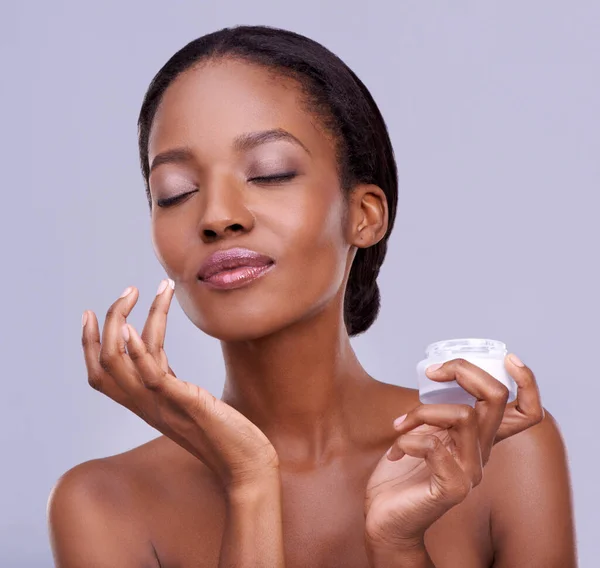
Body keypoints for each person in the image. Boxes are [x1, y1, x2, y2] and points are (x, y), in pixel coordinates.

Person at [47, 25, 576, 567]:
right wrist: (249, 479)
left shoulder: (501, 453)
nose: (216, 216)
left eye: (270, 173)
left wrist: (398, 546)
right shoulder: (102, 504)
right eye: (176, 192)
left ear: (363, 215)